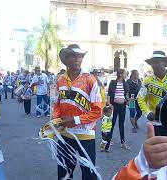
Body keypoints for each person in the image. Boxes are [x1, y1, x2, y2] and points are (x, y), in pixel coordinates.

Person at [53, 44, 102, 180]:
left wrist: (74, 120)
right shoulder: (60, 80)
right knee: (64, 173)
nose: (77, 59)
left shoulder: (90, 79)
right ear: (66, 59)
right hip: (65, 135)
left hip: (85, 135)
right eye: (73, 56)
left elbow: (97, 112)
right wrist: (57, 119)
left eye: (79, 56)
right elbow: (56, 104)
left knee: (89, 174)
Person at [137, 50, 167, 137]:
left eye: (157, 62)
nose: (154, 65)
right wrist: (147, 112)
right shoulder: (147, 81)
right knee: (157, 147)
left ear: (165, 63)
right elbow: (140, 98)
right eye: (152, 63)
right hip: (155, 122)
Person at [108, 69, 130, 150]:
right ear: (120, 74)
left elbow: (126, 95)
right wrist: (109, 104)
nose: (126, 75)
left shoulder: (125, 83)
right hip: (114, 106)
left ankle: (123, 142)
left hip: (122, 106)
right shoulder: (113, 82)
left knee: (121, 124)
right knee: (112, 124)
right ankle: (108, 140)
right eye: (125, 73)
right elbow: (109, 94)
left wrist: (129, 100)